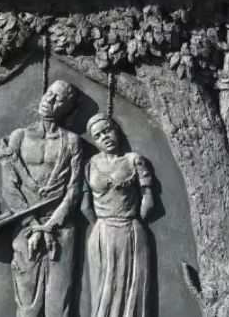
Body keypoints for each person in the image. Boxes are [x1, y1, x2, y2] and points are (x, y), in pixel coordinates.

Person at [0, 80, 83, 317]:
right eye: (48, 94)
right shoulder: (18, 137)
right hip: (25, 227)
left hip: (61, 228)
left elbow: (74, 189)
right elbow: (10, 188)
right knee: (27, 306)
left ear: (67, 107)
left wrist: (49, 226)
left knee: (59, 303)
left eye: (58, 98)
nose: (49, 100)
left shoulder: (72, 142)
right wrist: (34, 226)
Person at [82, 113, 154, 317]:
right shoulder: (90, 164)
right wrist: (102, 224)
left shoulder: (134, 160)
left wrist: (131, 221)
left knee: (131, 287)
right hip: (102, 233)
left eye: (107, 131)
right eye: (98, 135)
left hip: (130, 231)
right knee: (103, 289)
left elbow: (148, 201)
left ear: (117, 130)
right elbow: (84, 204)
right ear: (94, 141)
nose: (104, 137)